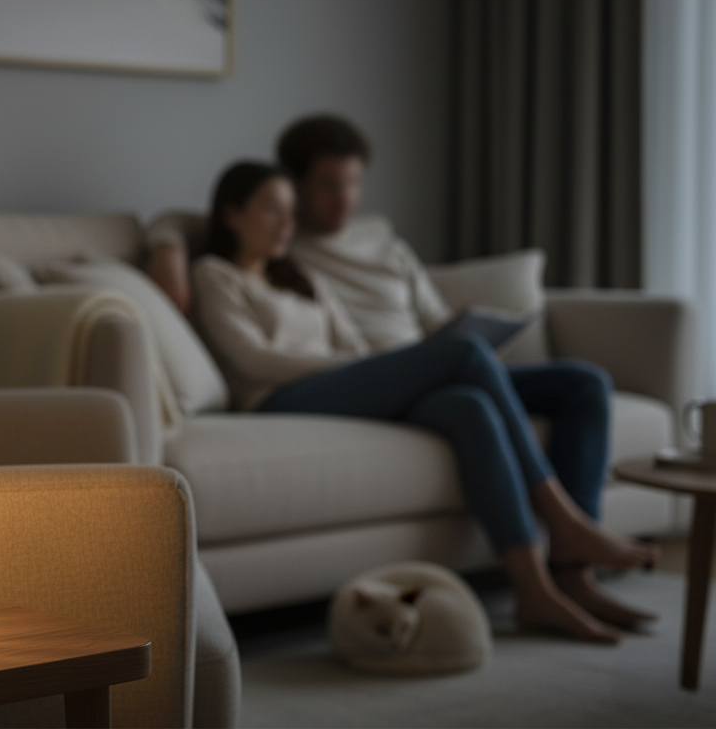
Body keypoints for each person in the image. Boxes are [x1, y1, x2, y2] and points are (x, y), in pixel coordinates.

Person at [191, 160, 658, 644]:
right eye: (272, 211)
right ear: (231, 215)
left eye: (290, 212)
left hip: (342, 383)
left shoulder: (301, 277)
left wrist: (383, 370)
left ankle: (536, 590)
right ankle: (565, 522)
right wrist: (354, 368)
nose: (286, 224)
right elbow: (252, 359)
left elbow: (354, 345)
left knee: (470, 405)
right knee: (466, 353)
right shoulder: (214, 273)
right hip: (280, 399)